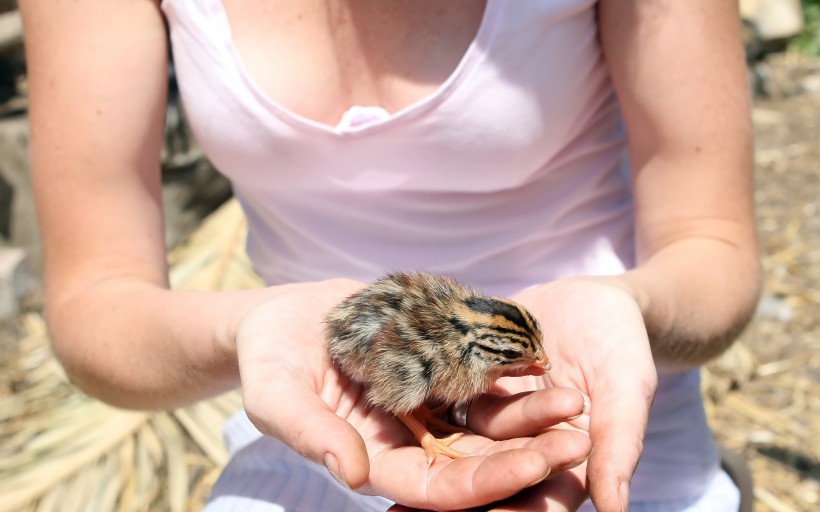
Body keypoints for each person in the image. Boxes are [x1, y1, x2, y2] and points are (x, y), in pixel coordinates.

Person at [20, 0, 760, 511]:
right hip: (320, 431)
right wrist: (251, 329)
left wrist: (625, 306)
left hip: (605, 437)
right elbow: (96, 304)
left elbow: (713, 246)